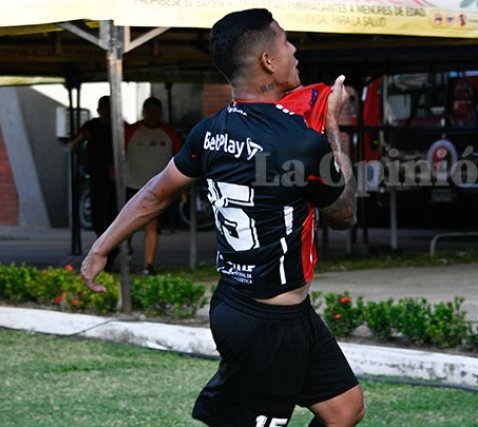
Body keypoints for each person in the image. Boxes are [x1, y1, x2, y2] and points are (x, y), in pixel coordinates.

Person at [80, 8, 363, 427]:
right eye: (285, 42)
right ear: (268, 60)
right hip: (265, 322)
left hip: (260, 308)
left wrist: (101, 247)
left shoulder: (209, 132)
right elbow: (344, 215)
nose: (294, 50)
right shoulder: (301, 142)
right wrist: (332, 127)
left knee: (344, 410)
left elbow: (155, 194)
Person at [124, 97, 181, 275]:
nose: (152, 114)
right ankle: (127, 252)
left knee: (152, 225)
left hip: (157, 188)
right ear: (143, 112)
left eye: (155, 110)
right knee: (127, 225)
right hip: (132, 184)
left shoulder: (168, 133)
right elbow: (117, 153)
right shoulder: (132, 130)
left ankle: (148, 265)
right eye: (148, 110)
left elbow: (180, 158)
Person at [69, 96, 119, 270]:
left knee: (114, 213)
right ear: (99, 110)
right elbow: (73, 147)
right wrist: (81, 138)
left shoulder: (119, 126)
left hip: (115, 177)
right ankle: (105, 247)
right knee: (97, 214)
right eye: (104, 109)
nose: (106, 112)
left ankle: (112, 251)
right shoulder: (91, 126)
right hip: (97, 175)